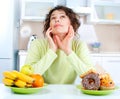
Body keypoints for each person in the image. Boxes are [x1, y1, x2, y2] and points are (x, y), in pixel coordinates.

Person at [23, 5, 95, 84]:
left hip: (68, 94)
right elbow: (27, 76)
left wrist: (68, 51)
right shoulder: (37, 44)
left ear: (71, 23)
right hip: (42, 91)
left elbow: (91, 78)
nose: (57, 19)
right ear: (49, 25)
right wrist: (51, 51)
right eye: (53, 18)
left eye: (62, 17)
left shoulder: (79, 45)